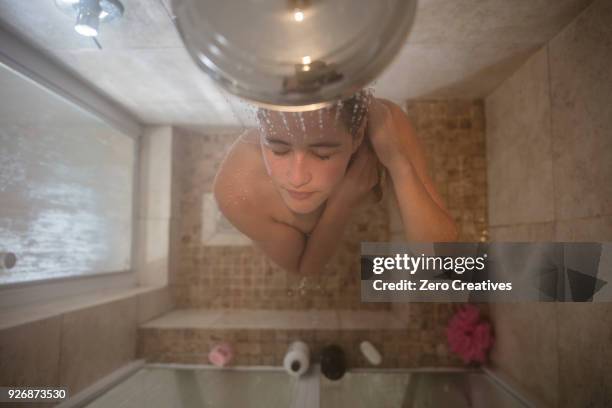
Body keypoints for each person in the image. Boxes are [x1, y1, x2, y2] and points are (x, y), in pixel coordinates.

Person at [213, 91, 457, 274]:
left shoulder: (382, 126)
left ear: (358, 135)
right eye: (278, 149)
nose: (297, 179)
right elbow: (303, 268)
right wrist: (343, 202)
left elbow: (442, 262)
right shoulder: (238, 193)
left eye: (322, 154)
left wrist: (398, 162)